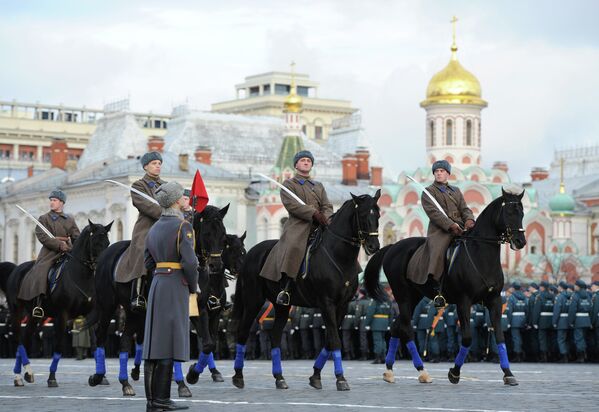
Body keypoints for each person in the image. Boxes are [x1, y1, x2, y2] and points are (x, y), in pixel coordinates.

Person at [142, 181, 198, 412]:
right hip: (175, 283)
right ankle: (162, 399)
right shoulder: (183, 226)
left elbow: (147, 261)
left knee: (156, 342)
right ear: (176, 201)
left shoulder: (153, 228)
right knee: (169, 342)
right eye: (182, 197)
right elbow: (190, 262)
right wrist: (193, 285)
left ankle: (153, 400)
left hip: (157, 283)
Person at [259, 150, 333, 305]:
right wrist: (313, 213)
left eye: (308, 160)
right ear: (296, 165)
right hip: (299, 225)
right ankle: (286, 288)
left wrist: (325, 217)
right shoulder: (289, 184)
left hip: (320, 226)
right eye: (303, 160)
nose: (306, 162)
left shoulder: (318, 186)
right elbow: (292, 206)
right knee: (294, 246)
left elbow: (327, 205)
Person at [407, 160, 475, 308]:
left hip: (461, 227)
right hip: (440, 230)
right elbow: (434, 213)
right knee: (439, 250)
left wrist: (469, 220)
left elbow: (464, 208)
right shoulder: (429, 192)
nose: (439, 173)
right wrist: (450, 225)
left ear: (448, 173)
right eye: (436, 171)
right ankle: (438, 288)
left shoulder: (456, 190)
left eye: (442, 171)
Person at [116, 151, 165, 312]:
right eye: (154, 164)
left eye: (159, 163)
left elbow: (175, 202)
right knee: (141, 248)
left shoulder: (166, 186)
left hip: (166, 226)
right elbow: (145, 206)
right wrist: (165, 212)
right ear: (145, 167)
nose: (157, 166)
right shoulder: (138, 185)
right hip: (147, 227)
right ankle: (138, 293)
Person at [18, 190, 80, 318]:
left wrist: (75, 247)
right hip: (49, 252)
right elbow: (42, 236)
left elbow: (76, 236)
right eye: (51, 200)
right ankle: (38, 303)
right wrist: (58, 245)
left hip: (68, 250)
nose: (52, 202)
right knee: (41, 270)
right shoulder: (44, 218)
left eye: (54, 200)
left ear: (62, 202)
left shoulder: (70, 219)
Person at [568, 279, 592, 362]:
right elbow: (590, 308)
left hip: (578, 320)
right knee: (584, 338)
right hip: (587, 319)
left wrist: (571, 321)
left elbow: (572, 310)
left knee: (578, 338)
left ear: (578, 287)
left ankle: (581, 356)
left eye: (575, 285)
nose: (574, 286)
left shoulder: (575, 296)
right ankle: (585, 354)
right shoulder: (588, 295)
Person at [507, 281, 528, 362]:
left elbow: (509, 310)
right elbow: (527, 309)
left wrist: (509, 322)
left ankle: (517, 355)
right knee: (521, 338)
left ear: (513, 288)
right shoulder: (524, 297)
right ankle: (521, 354)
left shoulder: (512, 297)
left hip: (515, 320)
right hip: (523, 318)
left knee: (516, 338)